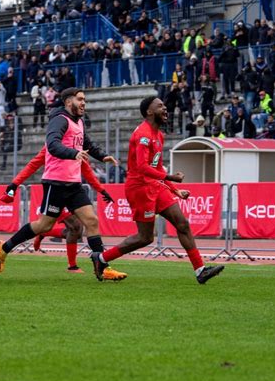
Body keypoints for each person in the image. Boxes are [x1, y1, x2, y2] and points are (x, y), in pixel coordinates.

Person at [0, 87, 126, 281]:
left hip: (73, 184)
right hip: (55, 183)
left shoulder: (79, 122)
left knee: (91, 221)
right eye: (80, 99)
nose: (83, 103)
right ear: (68, 102)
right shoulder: (59, 120)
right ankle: (4, 249)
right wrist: (73, 153)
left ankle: (102, 267)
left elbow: (86, 144)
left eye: (85, 100)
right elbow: (53, 144)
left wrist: (102, 156)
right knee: (43, 225)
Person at [91, 96, 224, 284]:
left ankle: (200, 270)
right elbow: (143, 167)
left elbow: (157, 169)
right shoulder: (143, 135)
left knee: (182, 223)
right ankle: (102, 258)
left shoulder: (159, 135)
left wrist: (175, 190)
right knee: (145, 238)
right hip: (139, 189)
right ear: (149, 112)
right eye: (160, 105)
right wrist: (171, 178)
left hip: (154, 185)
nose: (165, 108)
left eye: (165, 105)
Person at [0, 145, 114, 273]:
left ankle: (99, 267)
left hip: (74, 188)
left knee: (84, 224)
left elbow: (85, 169)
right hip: (55, 189)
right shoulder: (52, 145)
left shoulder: (76, 143)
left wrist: (101, 189)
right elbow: (32, 165)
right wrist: (14, 184)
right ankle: (6, 247)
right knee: (66, 226)